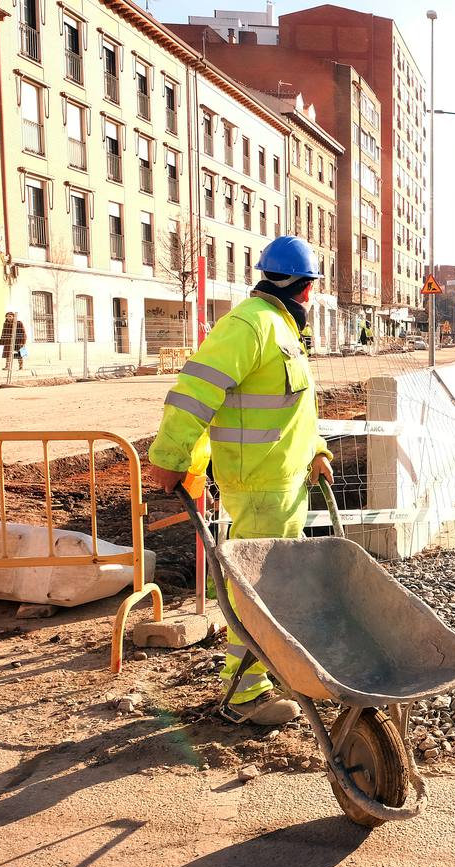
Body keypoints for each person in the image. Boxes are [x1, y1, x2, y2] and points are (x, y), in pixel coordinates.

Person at [146, 236, 332, 727]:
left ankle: (271, 674)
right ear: (308, 289)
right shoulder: (250, 325)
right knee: (258, 590)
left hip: (284, 483)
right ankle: (246, 694)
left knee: (272, 588)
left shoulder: (282, 331)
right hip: (260, 486)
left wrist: (317, 451)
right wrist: (169, 457)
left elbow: (294, 409)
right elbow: (194, 393)